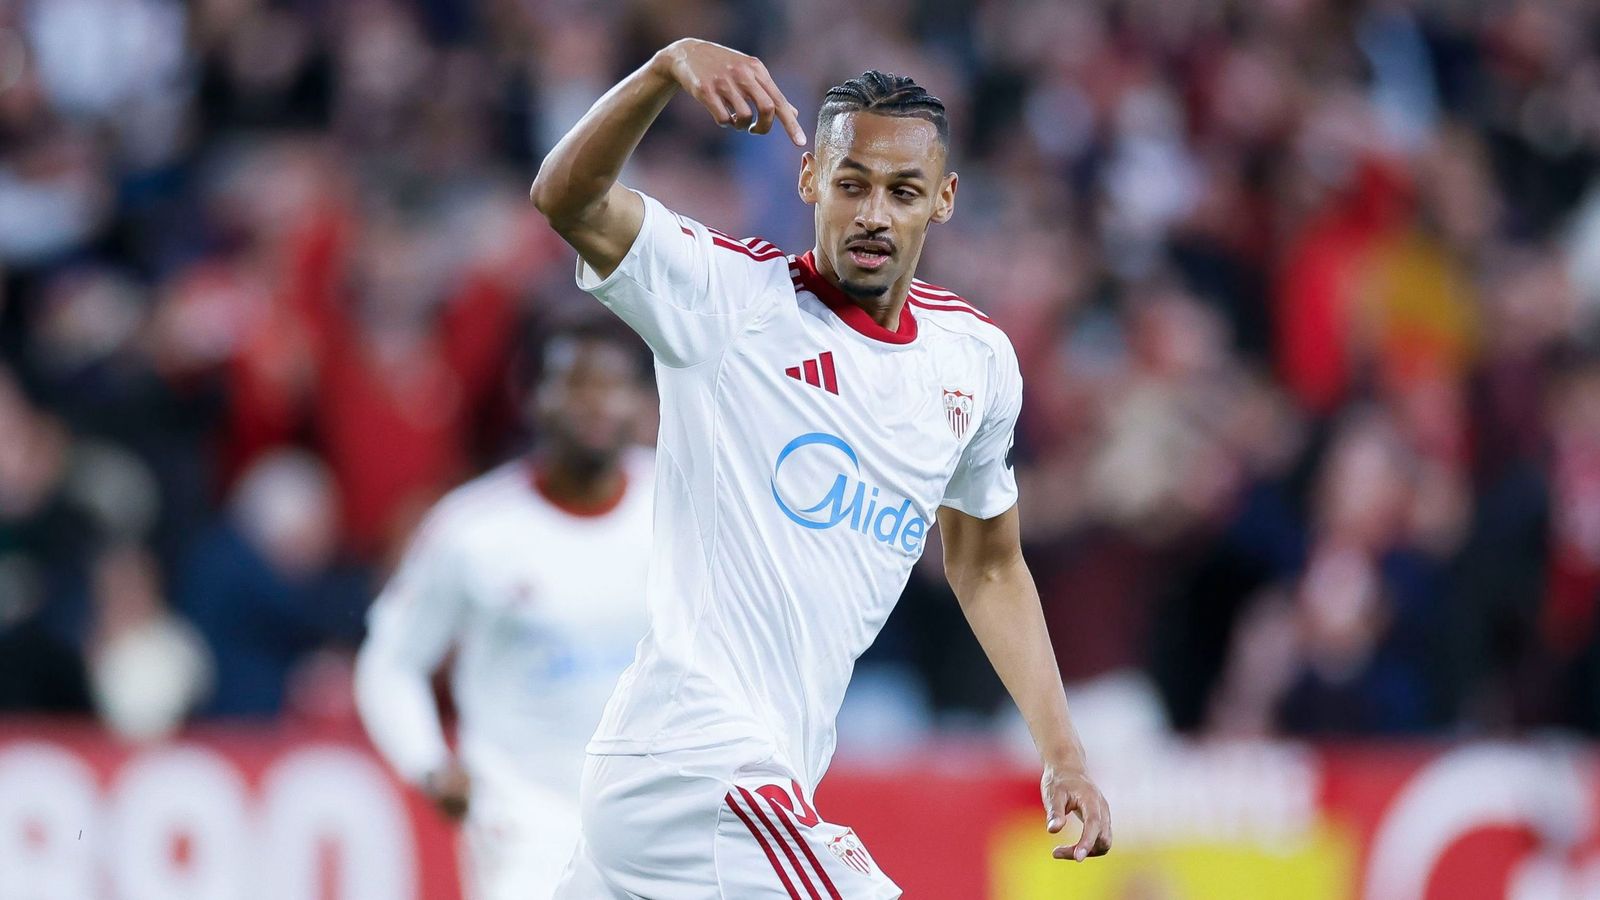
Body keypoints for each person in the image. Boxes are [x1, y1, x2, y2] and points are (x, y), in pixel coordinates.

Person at [530, 38, 1112, 899]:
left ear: (943, 201)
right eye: (852, 184)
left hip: (723, 781)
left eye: (903, 192)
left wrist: (1063, 756)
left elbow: (986, 563)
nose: (874, 213)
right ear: (810, 182)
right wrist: (664, 69)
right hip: (697, 765)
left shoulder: (975, 362)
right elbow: (565, 197)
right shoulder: (728, 301)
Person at [353, 321, 655, 900]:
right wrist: (427, 762)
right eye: (573, 384)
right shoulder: (473, 529)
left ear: (643, 402)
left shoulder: (685, 508)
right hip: (523, 820)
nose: (594, 403)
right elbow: (391, 662)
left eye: (613, 386)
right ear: (532, 397)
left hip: (655, 815)